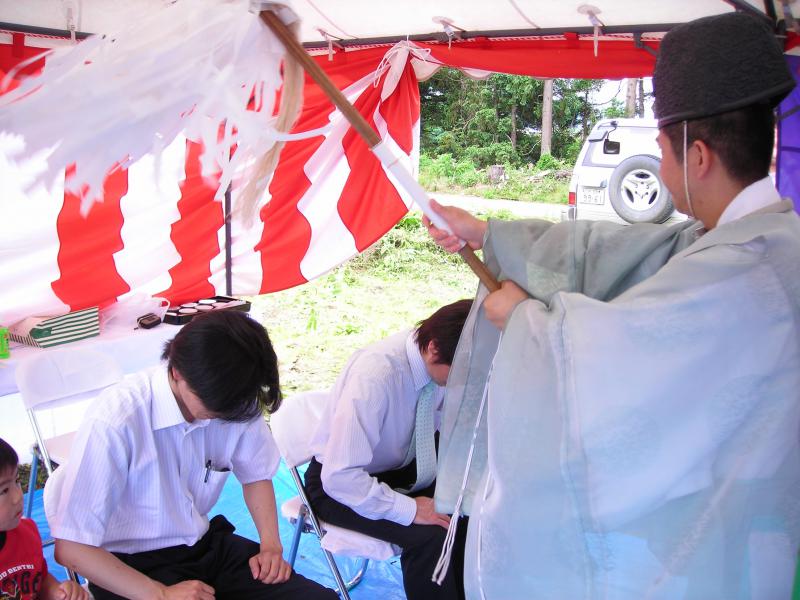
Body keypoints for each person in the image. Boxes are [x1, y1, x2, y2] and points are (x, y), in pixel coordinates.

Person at [426, 12, 800, 600]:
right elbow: (617, 249)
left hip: (727, 551)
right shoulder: (760, 240)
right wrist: (486, 233)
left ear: (698, 157)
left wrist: (523, 323)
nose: (662, 170)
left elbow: (609, 368)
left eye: (662, 150)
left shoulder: (746, 272)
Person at [50, 311, 337, 600]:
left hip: (205, 547)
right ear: (177, 372)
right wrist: (161, 595)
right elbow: (71, 548)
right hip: (131, 569)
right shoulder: (116, 420)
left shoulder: (236, 396)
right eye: (214, 407)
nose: (225, 415)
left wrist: (271, 546)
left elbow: (256, 475)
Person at [304, 299, 472, 600]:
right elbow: (340, 476)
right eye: (461, 372)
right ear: (433, 348)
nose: (464, 380)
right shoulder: (376, 375)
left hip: (402, 467)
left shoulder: (436, 362)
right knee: (431, 536)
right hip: (339, 485)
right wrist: (409, 509)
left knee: (469, 509)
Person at [0, 437, 88, 600]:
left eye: (17, 481)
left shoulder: (26, 533)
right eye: (4, 490)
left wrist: (58, 592)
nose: (18, 497)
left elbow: (39, 580)